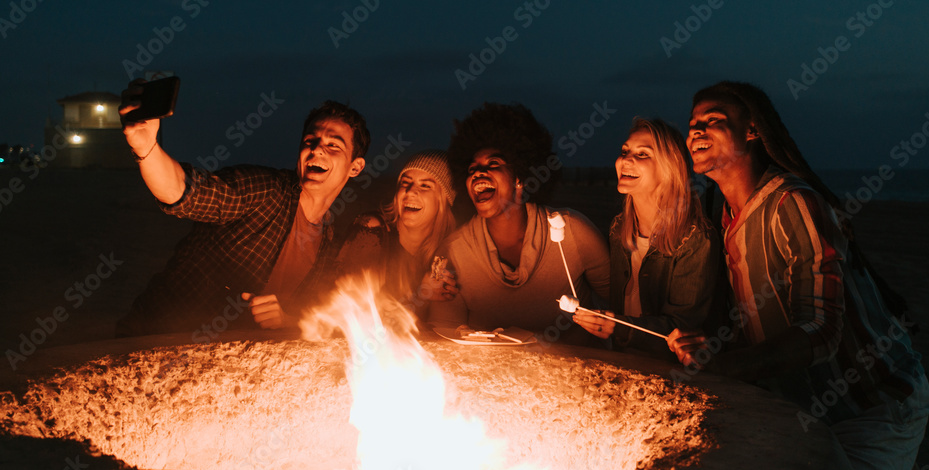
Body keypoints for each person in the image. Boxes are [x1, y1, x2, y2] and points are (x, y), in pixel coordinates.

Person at [669, 81, 929, 470]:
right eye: (692, 124)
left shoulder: (793, 202)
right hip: (812, 411)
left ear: (753, 130)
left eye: (712, 121)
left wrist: (728, 367)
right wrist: (713, 348)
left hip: (872, 406)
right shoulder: (727, 212)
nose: (694, 132)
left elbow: (822, 329)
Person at [115, 88, 369, 337]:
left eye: (334, 145)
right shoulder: (265, 191)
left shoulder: (327, 239)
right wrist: (146, 147)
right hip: (157, 339)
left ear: (355, 167)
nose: (317, 150)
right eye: (310, 141)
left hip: (231, 362)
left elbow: (313, 313)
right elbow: (183, 191)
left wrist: (286, 320)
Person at [428, 103, 611, 344]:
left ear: (519, 179)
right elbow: (445, 333)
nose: (478, 173)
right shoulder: (453, 252)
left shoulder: (574, 232)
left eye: (493, 164)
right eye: (472, 169)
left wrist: (609, 324)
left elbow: (624, 307)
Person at [572, 118, 721, 360]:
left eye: (643, 154)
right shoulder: (619, 228)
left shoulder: (694, 239)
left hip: (672, 371)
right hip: (624, 361)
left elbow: (682, 329)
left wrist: (618, 327)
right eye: (625, 151)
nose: (626, 160)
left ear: (669, 168)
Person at [334, 150, 459, 320]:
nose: (410, 192)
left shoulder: (447, 251)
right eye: (405, 183)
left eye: (425, 186)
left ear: (443, 200)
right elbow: (352, 318)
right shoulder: (372, 231)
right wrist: (421, 294)